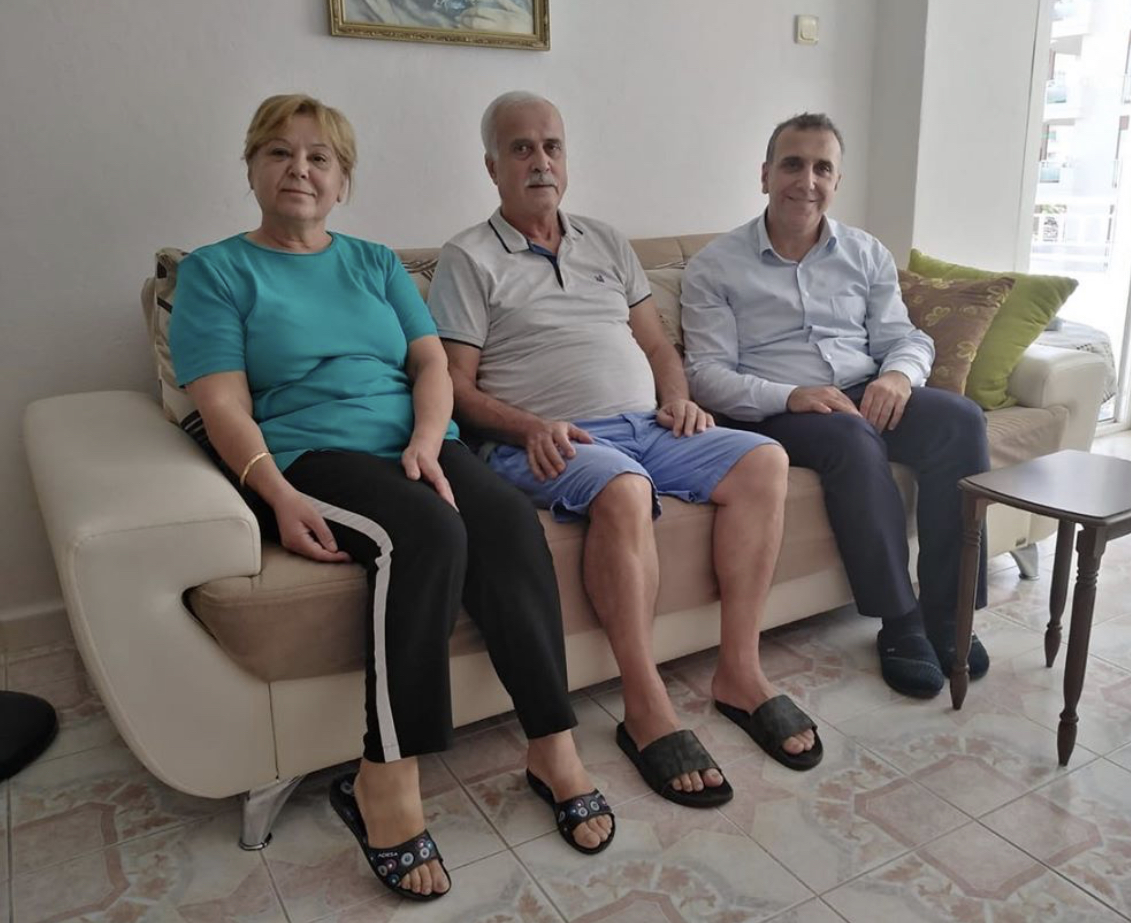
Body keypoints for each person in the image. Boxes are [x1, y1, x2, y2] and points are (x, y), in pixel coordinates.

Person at [168, 94, 613, 903]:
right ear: (251, 169)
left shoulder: (375, 263)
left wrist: (429, 438)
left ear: (342, 181)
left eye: (320, 157)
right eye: (279, 152)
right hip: (309, 453)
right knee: (430, 534)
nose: (299, 169)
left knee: (508, 522)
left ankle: (552, 744)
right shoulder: (216, 271)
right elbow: (222, 402)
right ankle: (385, 775)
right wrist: (275, 492)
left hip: (413, 441)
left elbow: (431, 365)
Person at [429, 91, 822, 807]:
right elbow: (453, 386)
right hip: (548, 439)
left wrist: (678, 397)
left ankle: (739, 671)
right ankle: (645, 707)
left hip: (647, 425)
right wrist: (529, 426)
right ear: (492, 166)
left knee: (764, 459)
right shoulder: (467, 258)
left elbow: (657, 345)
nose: (540, 161)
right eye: (521, 148)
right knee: (624, 488)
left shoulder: (606, 242)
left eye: (552, 146)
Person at [680, 113, 991, 700]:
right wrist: (792, 396)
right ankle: (899, 621)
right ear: (765, 175)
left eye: (822, 168)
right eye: (793, 165)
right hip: (778, 410)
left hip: (861, 391)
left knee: (961, 420)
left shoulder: (865, 253)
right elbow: (707, 377)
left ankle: (947, 612)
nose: (807, 181)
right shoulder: (716, 266)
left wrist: (897, 376)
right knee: (853, 440)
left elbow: (905, 338)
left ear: (837, 180)